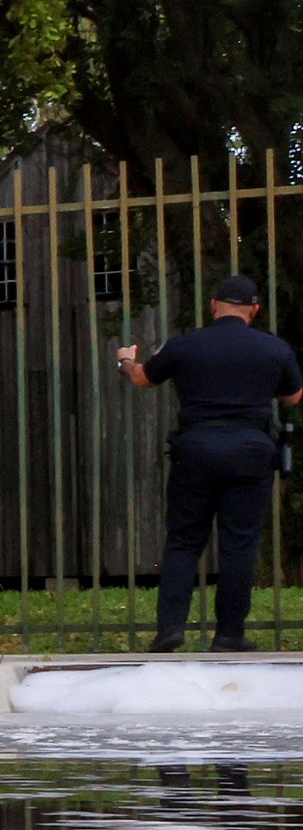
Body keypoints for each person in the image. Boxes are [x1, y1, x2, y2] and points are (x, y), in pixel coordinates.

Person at [119, 271, 302, 652]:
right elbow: (293, 397)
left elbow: (143, 379)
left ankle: (170, 628)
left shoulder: (186, 345)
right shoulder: (273, 348)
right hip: (251, 452)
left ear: (214, 305)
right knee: (240, 544)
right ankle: (230, 635)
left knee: (184, 542)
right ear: (254, 309)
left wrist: (126, 361)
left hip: (196, 449)